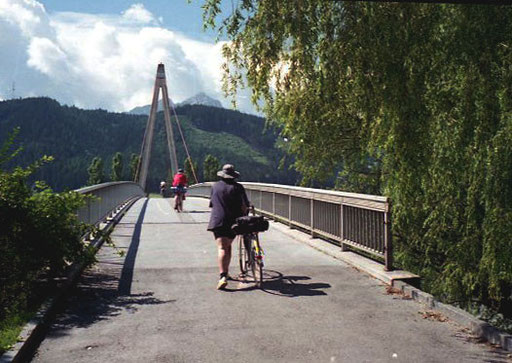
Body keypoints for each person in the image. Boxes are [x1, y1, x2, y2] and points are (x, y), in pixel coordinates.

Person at [207, 164, 249, 290]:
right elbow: (244, 206)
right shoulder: (238, 187)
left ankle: (223, 275)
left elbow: (212, 204)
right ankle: (225, 274)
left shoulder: (215, 187)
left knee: (222, 247)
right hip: (233, 222)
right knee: (227, 246)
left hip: (218, 221)